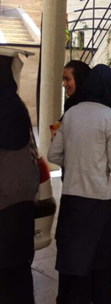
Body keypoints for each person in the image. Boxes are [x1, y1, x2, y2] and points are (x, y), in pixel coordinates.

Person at [48, 64, 111, 304]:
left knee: (74, 269)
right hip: (99, 206)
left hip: (72, 202)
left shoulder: (71, 114)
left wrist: (76, 161)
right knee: (101, 272)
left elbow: (53, 154)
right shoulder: (110, 118)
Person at [0, 55, 37, 304]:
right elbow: (32, 156)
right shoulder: (19, 107)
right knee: (20, 275)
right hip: (22, 207)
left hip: (2, 206)